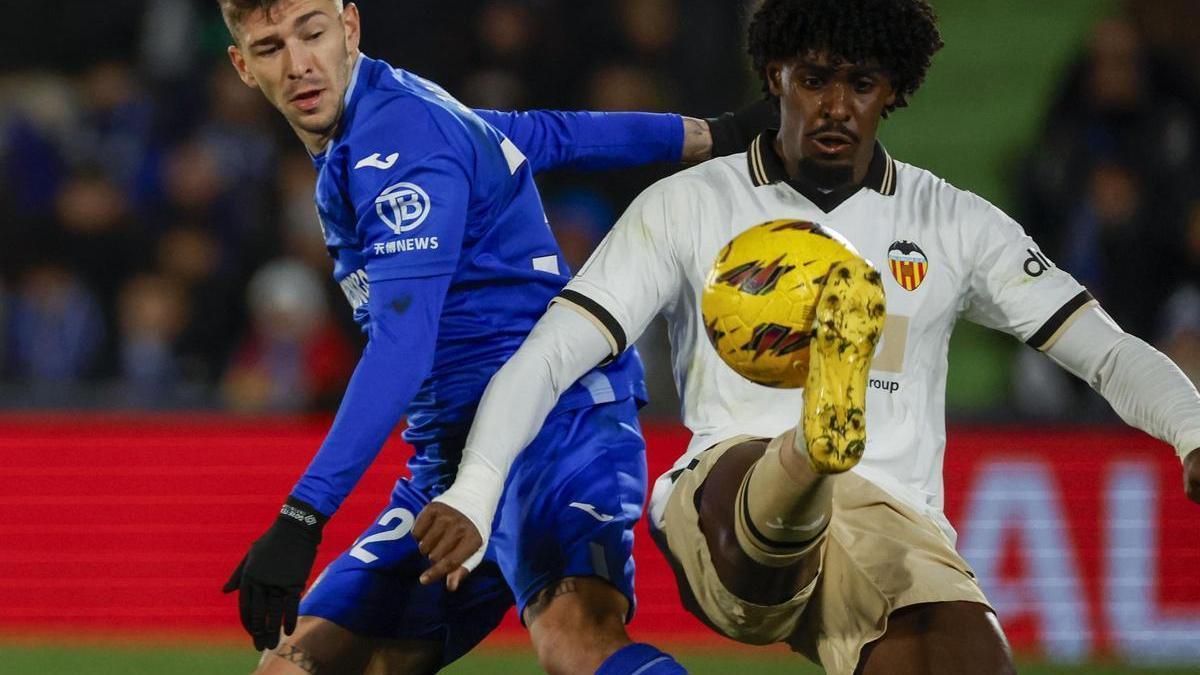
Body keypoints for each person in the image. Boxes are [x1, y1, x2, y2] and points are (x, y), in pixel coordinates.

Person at [413, 1, 1200, 674]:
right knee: (757, 476)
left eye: (861, 84)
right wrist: (474, 492)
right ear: (774, 76)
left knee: (968, 650)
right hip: (722, 508)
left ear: (893, 90)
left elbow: (1105, 347)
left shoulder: (951, 222)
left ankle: (823, 450)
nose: (836, 106)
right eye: (814, 78)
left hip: (893, 521)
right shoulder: (690, 203)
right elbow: (553, 351)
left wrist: (1192, 432)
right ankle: (811, 448)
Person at [216, 1, 772, 673]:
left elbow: (402, 346)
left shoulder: (398, 149)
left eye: (313, 32)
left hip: (555, 427)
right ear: (243, 67)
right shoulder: (404, 114)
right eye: (272, 47)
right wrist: (718, 134)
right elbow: (549, 134)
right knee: (295, 667)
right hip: (447, 463)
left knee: (576, 640)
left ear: (350, 27)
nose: (300, 64)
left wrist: (304, 515)